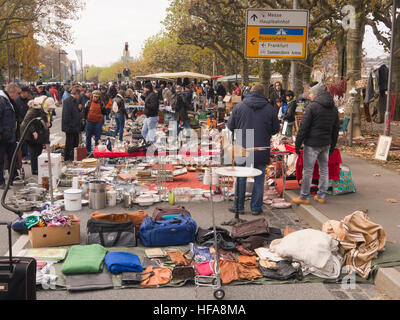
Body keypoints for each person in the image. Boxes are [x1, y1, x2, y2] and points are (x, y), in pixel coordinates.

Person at [227, 84, 280, 215]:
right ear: (263, 93)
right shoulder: (269, 108)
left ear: (250, 92)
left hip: (243, 145)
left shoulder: (239, 106)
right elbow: (275, 129)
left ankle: (238, 207)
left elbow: (230, 126)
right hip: (261, 146)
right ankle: (256, 208)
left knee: (241, 177)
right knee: (259, 178)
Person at [293, 83, 340, 205]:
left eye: (311, 93)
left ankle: (304, 197)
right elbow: (336, 129)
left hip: (312, 143)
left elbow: (303, 127)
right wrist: (333, 146)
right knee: (324, 170)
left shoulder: (312, 107)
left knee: (308, 171)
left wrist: (298, 144)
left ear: (316, 94)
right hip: (326, 143)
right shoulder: (333, 108)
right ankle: (321, 195)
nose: (310, 95)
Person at [20, 96, 54, 175]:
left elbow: (47, 122)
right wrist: (33, 132)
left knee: (38, 149)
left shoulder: (44, 110)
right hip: (29, 132)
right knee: (34, 151)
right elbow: (27, 121)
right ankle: (35, 169)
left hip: (39, 131)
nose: (51, 109)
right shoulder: (34, 109)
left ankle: (38, 168)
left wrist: (49, 124)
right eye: (50, 108)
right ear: (46, 105)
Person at [0, 83, 21, 188]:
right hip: (3, 135)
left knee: (13, 157)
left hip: (10, 134)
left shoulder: (9, 101)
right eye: (16, 93)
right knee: (1, 159)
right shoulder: (2, 101)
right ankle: (1, 182)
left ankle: (13, 177)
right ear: (11, 92)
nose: (17, 95)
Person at [62, 87, 82, 161]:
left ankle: (73, 157)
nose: (79, 96)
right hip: (70, 127)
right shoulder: (68, 101)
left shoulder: (74, 101)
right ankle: (67, 158)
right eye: (79, 95)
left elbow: (75, 113)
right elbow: (66, 115)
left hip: (75, 126)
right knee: (69, 143)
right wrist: (72, 125)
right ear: (76, 94)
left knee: (75, 143)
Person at [14, 87, 34, 160]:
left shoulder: (29, 101)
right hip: (21, 124)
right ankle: (23, 156)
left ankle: (28, 156)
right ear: (23, 92)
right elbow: (16, 113)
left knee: (29, 140)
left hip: (29, 123)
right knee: (22, 141)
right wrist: (21, 121)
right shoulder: (16, 101)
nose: (28, 94)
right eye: (27, 92)